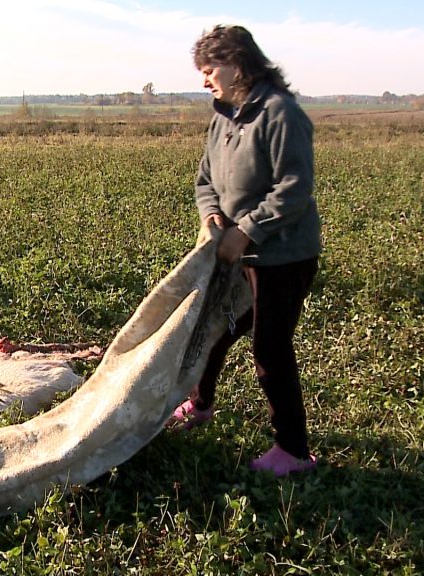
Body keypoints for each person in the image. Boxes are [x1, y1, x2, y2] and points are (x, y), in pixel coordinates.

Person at [167, 25, 323, 477]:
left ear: (238, 63)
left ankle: (293, 451)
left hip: (284, 256)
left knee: (271, 348)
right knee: (214, 329)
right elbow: (204, 181)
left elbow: (293, 190)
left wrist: (247, 231)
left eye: (209, 68)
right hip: (237, 251)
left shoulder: (281, 114)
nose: (204, 80)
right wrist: (213, 216)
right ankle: (199, 405)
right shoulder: (224, 118)